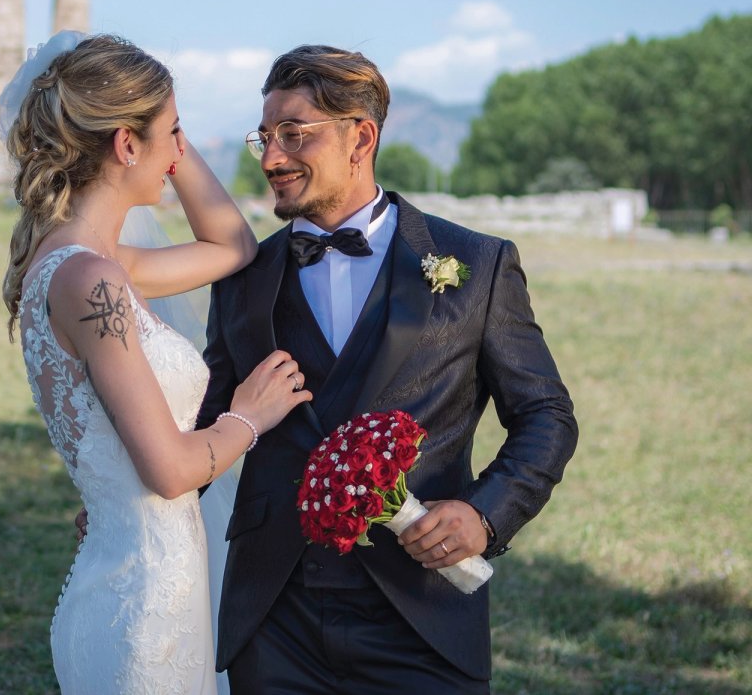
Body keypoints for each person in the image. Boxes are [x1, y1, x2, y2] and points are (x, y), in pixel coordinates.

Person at [198, 44, 579, 694]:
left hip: (423, 617)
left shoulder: (476, 265)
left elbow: (546, 416)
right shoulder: (242, 279)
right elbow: (204, 420)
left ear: (361, 137)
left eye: (293, 134)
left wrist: (484, 515)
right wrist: (132, 498)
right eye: (264, 137)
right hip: (274, 620)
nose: (270, 159)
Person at [1, 32, 313, 695]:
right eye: (174, 133)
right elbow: (170, 469)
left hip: (129, 579)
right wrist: (248, 418)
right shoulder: (95, 281)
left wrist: (158, 130)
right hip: (145, 610)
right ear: (124, 144)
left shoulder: (83, 266)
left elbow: (233, 245)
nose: (180, 152)